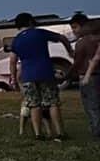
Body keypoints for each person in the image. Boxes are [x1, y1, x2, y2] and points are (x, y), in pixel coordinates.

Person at [9, 12, 74, 141]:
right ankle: (60, 132)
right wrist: (69, 51)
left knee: (34, 105)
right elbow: (62, 38)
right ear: (30, 22)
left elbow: (12, 61)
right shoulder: (39, 33)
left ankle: (38, 134)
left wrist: (13, 77)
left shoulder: (16, 41)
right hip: (45, 72)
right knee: (52, 103)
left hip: (27, 75)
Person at [70, 13, 100, 139]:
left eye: (75, 28)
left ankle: (96, 131)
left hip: (90, 77)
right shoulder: (95, 41)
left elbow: (77, 62)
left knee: (91, 106)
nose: (73, 31)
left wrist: (68, 75)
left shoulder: (82, 43)